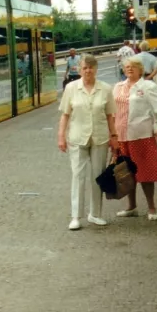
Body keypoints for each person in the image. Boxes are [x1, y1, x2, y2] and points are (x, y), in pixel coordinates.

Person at [57, 54, 118, 231]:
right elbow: (65, 114)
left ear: (96, 69)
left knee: (97, 176)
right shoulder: (71, 88)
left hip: (100, 138)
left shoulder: (106, 89)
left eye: (91, 67)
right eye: (85, 68)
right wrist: (61, 136)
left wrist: (114, 137)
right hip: (77, 137)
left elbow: (110, 116)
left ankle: (95, 214)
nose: (88, 71)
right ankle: (76, 216)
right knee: (78, 176)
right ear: (79, 69)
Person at [113, 56, 157, 221]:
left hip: (141, 136)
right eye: (127, 67)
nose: (129, 69)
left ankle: (151, 207)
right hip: (122, 137)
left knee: (145, 173)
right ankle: (131, 207)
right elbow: (111, 110)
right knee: (125, 174)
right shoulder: (118, 87)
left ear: (140, 69)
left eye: (133, 67)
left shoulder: (147, 86)